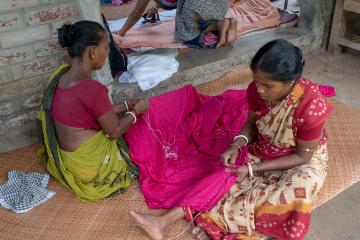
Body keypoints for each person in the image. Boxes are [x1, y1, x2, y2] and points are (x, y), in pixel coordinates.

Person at [127, 39, 333, 240]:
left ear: (290, 82)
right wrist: (237, 144)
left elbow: (303, 155)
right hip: (264, 147)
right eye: (257, 82)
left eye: (268, 86)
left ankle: (229, 218)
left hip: (299, 158)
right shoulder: (256, 91)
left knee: (302, 188)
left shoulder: (312, 107)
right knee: (225, 171)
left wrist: (253, 170)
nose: (260, 90)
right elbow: (252, 123)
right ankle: (163, 222)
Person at [37, 20, 149, 201]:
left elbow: (91, 112)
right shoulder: (93, 89)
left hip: (72, 161)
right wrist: (136, 112)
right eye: (105, 47)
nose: (106, 53)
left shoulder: (62, 77)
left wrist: (126, 105)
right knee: (144, 141)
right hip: (91, 167)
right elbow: (114, 131)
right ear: (92, 51)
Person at [115, 0, 237, 48]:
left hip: (198, 7)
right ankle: (224, 22)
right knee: (200, 17)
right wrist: (156, 7)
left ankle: (217, 25)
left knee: (184, 35)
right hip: (220, 6)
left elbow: (136, 13)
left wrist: (121, 32)